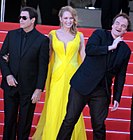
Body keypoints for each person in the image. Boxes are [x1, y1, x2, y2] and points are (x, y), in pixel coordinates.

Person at [57, 13, 131, 140]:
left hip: (101, 91)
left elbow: (121, 75)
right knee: (70, 120)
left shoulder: (125, 50)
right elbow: (90, 50)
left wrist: (117, 97)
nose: (119, 27)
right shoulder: (99, 34)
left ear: (125, 30)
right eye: (117, 23)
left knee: (99, 125)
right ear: (112, 25)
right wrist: (110, 47)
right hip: (81, 86)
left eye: (123, 26)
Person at [32, 6, 87, 140]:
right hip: (56, 75)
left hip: (74, 76)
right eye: (66, 18)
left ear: (74, 20)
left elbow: (84, 57)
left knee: (72, 107)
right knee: (54, 106)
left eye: (71, 18)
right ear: (60, 19)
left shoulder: (79, 36)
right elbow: (47, 56)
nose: (68, 21)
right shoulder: (52, 34)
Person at [0, 6, 49, 139]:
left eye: (24, 18)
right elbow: (2, 57)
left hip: (29, 88)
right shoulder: (11, 35)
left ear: (32, 20)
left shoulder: (42, 40)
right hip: (10, 85)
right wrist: (8, 75)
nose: (20, 20)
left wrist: (39, 89)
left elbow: (43, 67)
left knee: (25, 123)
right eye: (20, 17)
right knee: (9, 120)